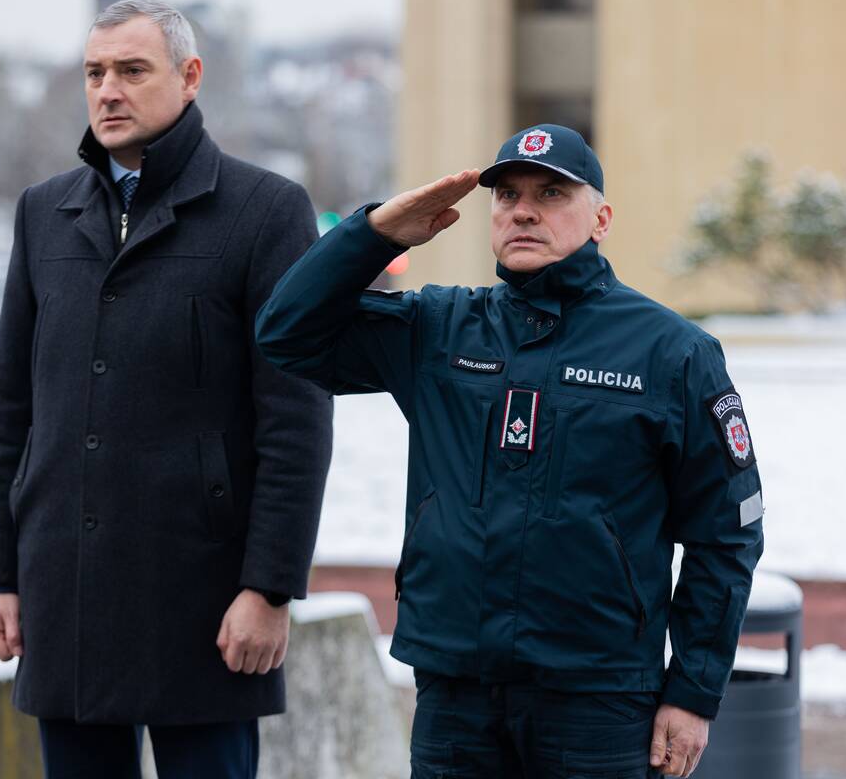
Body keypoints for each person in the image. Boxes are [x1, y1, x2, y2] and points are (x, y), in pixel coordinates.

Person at [256, 125, 764, 778]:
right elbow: (285, 333)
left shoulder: (671, 353)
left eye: (552, 192)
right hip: (455, 694)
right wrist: (374, 234)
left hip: (600, 702)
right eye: (507, 195)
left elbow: (727, 532)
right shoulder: (437, 328)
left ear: (601, 217)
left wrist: (692, 692)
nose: (523, 209)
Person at [0, 0, 332, 779]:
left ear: (189, 76)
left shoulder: (265, 211)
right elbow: (10, 412)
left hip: (203, 603)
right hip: (66, 596)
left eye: (132, 71)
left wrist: (268, 588)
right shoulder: (43, 214)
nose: (108, 91)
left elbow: (295, 421)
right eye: (95, 73)